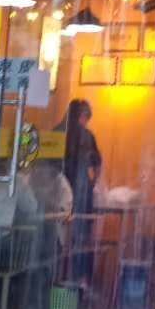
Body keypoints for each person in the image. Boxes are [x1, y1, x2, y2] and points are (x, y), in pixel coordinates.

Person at [58, 98, 103, 284]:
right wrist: (92, 183)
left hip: (58, 196)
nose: (86, 122)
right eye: (86, 117)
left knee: (59, 242)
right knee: (80, 241)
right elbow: (97, 164)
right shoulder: (86, 136)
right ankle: (78, 283)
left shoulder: (56, 132)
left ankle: (57, 281)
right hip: (80, 196)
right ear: (82, 116)